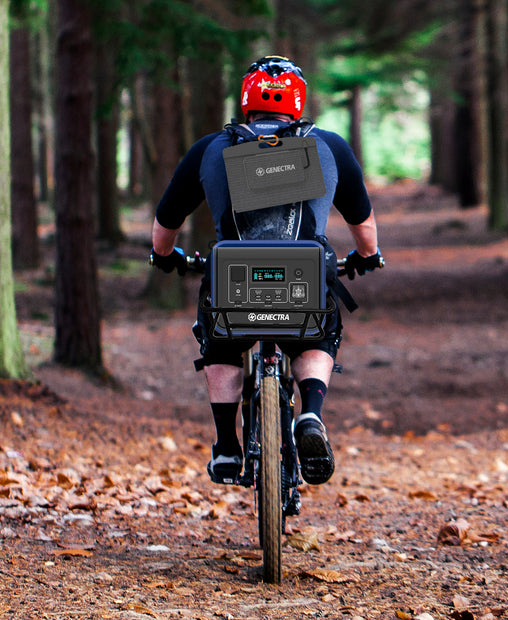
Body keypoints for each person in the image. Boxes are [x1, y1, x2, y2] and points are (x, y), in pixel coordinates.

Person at [150, 55, 382, 486]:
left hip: (234, 282)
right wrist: (368, 256)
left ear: (245, 100)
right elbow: (362, 224)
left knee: (219, 339)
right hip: (303, 283)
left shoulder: (212, 147)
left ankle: (225, 446)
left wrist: (165, 256)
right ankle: (309, 414)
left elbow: (167, 221)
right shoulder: (327, 145)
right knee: (320, 332)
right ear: (298, 101)